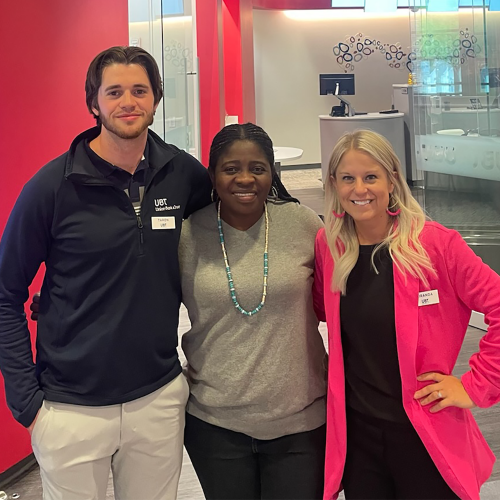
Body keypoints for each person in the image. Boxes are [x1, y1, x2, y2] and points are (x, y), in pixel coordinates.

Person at [0, 46, 211, 500]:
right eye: (114, 92)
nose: (128, 102)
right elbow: (5, 291)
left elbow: (232, 218)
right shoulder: (51, 187)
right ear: (93, 103)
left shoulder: (182, 174)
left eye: (139, 90)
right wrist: (26, 402)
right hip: (69, 407)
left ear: (156, 98)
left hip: (157, 395)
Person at [313, 129, 500, 500]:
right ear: (334, 183)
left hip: (424, 432)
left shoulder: (437, 246)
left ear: (392, 180)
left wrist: (474, 385)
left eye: (371, 177)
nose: (359, 189)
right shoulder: (330, 246)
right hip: (359, 435)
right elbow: (320, 310)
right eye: (348, 178)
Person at [179, 123, 328, 500]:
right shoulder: (185, 236)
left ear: (272, 173)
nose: (245, 178)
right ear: (212, 175)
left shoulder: (303, 224)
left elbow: (344, 301)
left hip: (301, 422)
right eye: (231, 169)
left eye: (258, 168)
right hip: (215, 424)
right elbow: (144, 304)